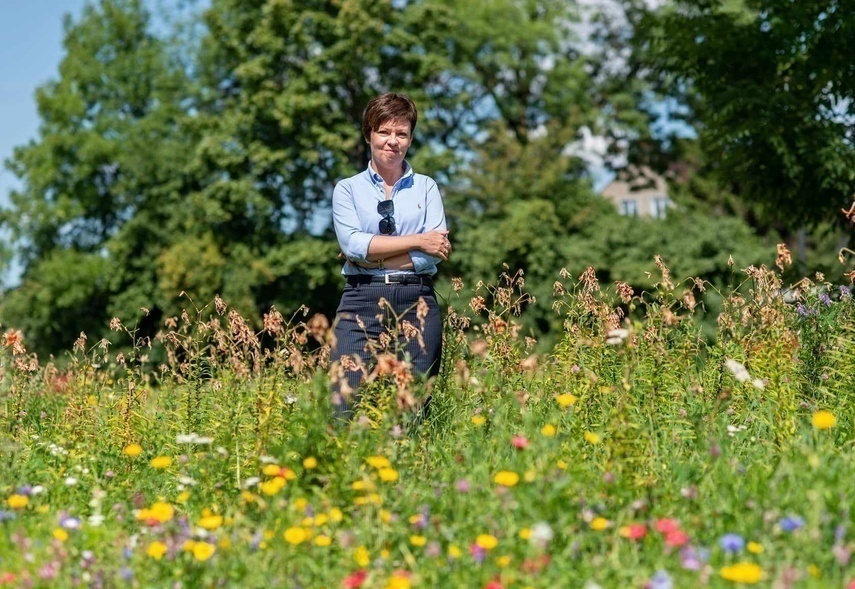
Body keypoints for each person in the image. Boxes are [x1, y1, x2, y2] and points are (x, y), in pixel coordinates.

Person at [329, 92, 450, 421]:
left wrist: (373, 254)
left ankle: (411, 470)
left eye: (402, 133)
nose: (392, 141)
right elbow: (353, 246)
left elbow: (435, 254)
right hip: (360, 301)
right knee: (344, 405)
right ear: (369, 133)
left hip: (416, 301)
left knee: (412, 411)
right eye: (384, 131)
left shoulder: (426, 187)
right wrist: (417, 242)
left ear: (410, 139)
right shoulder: (347, 189)